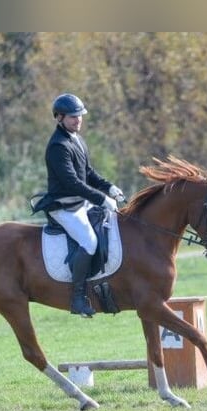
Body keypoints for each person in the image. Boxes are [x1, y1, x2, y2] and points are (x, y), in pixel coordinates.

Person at [38, 93, 126, 318]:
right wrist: (101, 199)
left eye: (80, 116)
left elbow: (87, 173)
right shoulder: (58, 146)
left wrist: (110, 188)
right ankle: (77, 298)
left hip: (80, 203)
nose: (78, 120)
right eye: (72, 117)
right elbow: (72, 183)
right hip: (64, 206)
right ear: (59, 117)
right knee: (89, 241)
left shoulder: (76, 139)